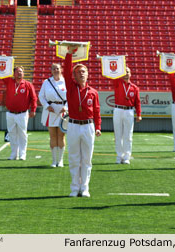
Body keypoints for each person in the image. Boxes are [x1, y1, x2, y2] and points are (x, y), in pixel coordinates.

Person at [64, 45, 101, 198]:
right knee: (74, 158)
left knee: (87, 159)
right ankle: (74, 188)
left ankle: (84, 188)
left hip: (88, 126)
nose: (82, 74)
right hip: (73, 125)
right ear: (75, 75)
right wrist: (69, 54)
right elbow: (66, 71)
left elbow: (97, 111)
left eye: (84, 72)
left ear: (87, 74)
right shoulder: (71, 87)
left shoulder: (93, 92)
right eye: (78, 72)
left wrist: (98, 127)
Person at [103, 67, 141, 164]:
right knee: (118, 134)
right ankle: (119, 156)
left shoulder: (134, 87)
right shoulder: (117, 83)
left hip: (129, 111)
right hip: (118, 109)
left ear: (131, 74)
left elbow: (137, 102)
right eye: (124, 72)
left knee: (128, 135)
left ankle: (127, 157)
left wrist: (139, 114)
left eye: (128, 72)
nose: (126, 74)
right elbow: (113, 75)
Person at [0, 66, 37, 160]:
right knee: (12, 134)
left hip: (22, 113)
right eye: (17, 72)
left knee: (22, 134)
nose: (19, 73)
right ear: (14, 73)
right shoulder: (9, 82)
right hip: (10, 113)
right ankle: (14, 154)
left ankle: (23, 154)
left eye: (21, 72)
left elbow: (34, 98)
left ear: (23, 74)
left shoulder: (27, 84)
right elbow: (1, 74)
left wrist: (33, 110)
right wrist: (4, 59)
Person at [39, 63, 67, 167]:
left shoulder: (66, 82)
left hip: (62, 111)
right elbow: (41, 96)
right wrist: (47, 106)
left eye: (58, 68)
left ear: (61, 69)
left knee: (61, 135)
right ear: (51, 70)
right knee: (53, 136)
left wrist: (66, 107)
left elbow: (70, 97)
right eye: (54, 69)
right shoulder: (46, 82)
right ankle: (54, 161)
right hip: (50, 111)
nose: (56, 70)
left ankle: (60, 160)